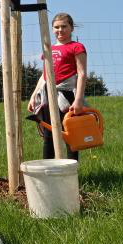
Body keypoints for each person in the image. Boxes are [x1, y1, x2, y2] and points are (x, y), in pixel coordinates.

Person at [27, 12, 88, 160]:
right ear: (52, 29)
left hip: (67, 94)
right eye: (56, 27)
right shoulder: (49, 49)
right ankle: (48, 173)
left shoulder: (77, 47)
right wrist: (34, 95)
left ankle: (71, 174)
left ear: (71, 28)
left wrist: (78, 100)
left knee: (70, 133)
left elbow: (81, 74)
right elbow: (45, 75)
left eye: (64, 26)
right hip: (48, 94)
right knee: (49, 134)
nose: (60, 30)